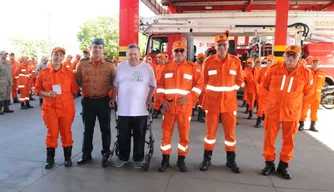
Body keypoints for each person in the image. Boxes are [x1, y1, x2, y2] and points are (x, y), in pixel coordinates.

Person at [261, 45, 314, 180]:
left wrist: (292, 101)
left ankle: (283, 165)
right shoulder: (273, 70)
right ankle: (269, 164)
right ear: (283, 56)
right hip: (273, 111)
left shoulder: (305, 74)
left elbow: (308, 92)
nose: (291, 58)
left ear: (299, 57)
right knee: (269, 139)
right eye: (288, 55)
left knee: (289, 140)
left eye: (294, 55)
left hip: (291, 113)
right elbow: (265, 85)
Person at [199, 34, 243, 173]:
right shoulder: (209, 62)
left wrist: (231, 91)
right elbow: (202, 81)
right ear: (215, 46)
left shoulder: (235, 62)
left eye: (224, 44)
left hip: (229, 104)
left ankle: (231, 160)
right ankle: (207, 159)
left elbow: (240, 81)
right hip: (212, 104)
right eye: (219, 45)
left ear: (227, 46)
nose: (222, 47)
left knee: (230, 135)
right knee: (210, 133)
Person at [157, 40, 203, 172]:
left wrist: (189, 98)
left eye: (181, 50)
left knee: (184, 135)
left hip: (184, 108)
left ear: (185, 52)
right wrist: (162, 100)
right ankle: (165, 159)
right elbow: (159, 85)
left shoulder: (192, 67)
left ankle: (181, 160)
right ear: (172, 52)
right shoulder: (166, 67)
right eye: (176, 51)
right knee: (166, 135)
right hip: (169, 107)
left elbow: (199, 85)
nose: (179, 53)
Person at [111, 44, 156, 169]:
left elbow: (153, 85)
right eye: (130, 54)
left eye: (135, 54)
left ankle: (138, 158)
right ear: (126, 56)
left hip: (141, 110)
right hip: (124, 110)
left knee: (139, 135)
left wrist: (149, 98)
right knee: (123, 135)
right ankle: (123, 157)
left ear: (140, 55)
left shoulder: (147, 68)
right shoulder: (120, 67)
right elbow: (115, 85)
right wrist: (113, 98)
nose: (133, 57)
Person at [34, 47, 79, 169]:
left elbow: (75, 89)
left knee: (66, 133)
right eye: (56, 54)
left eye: (61, 55)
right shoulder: (43, 73)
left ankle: (67, 158)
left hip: (66, 109)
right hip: (50, 109)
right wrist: (47, 94)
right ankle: (50, 159)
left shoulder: (69, 74)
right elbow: (37, 90)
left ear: (63, 58)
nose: (58, 57)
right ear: (51, 55)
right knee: (51, 134)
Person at [75, 38, 116, 165]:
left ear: (103, 50)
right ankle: (86, 153)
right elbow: (78, 80)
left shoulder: (110, 65)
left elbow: (115, 83)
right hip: (88, 101)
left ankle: (106, 153)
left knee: (106, 129)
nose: (97, 50)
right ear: (91, 48)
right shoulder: (82, 64)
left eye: (99, 47)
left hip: (104, 100)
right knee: (88, 129)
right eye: (95, 47)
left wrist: (113, 98)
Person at [299, 57, 325, 132]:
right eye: (314, 62)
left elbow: (322, 84)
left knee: (314, 111)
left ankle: (312, 126)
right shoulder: (307, 71)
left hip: (316, 96)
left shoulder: (322, 73)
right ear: (311, 63)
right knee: (304, 110)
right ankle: (301, 125)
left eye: (317, 63)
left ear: (319, 64)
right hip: (307, 95)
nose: (315, 64)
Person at [255, 54, 275, 128]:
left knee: (270, 109)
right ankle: (259, 121)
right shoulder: (262, 70)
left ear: (274, 61)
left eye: (270, 61)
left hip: (271, 94)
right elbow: (258, 80)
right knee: (260, 108)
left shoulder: (276, 71)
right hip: (263, 93)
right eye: (268, 60)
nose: (269, 62)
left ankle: (267, 122)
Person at [152, 53, 166, 119]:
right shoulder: (157, 67)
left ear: (162, 59)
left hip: (163, 87)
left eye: (159, 58)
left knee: (161, 99)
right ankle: (155, 111)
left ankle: (157, 111)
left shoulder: (166, 67)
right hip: (157, 86)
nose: (157, 59)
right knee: (157, 99)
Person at [195, 53, 206, 123]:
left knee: (201, 103)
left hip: (203, 87)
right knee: (193, 101)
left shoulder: (204, 66)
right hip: (196, 87)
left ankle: (200, 116)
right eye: (201, 58)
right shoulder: (194, 66)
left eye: (203, 58)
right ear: (198, 58)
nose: (202, 59)